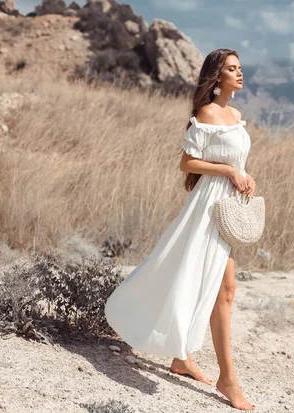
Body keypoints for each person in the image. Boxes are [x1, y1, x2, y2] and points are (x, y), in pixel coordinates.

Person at [104, 48, 256, 411]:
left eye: (239, 68)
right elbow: (187, 162)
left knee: (221, 286)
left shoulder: (235, 114)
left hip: (228, 206)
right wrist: (229, 172)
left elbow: (235, 160)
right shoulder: (207, 113)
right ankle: (227, 378)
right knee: (218, 285)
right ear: (216, 76)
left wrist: (245, 175)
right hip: (207, 208)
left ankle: (181, 356)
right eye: (232, 69)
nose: (239, 73)